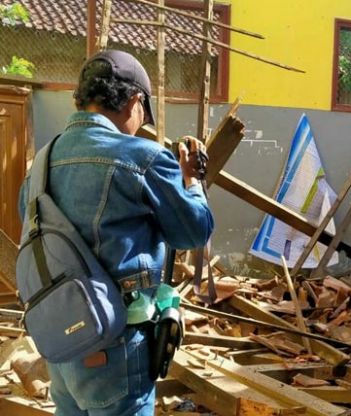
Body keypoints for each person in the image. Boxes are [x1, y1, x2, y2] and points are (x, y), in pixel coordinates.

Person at [17, 49, 214, 415]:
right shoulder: (143, 157)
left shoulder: (41, 161)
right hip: (117, 346)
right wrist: (192, 183)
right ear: (135, 102)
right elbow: (192, 233)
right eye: (142, 112)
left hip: (62, 342)